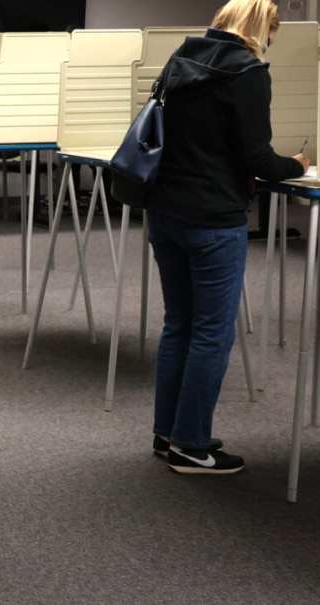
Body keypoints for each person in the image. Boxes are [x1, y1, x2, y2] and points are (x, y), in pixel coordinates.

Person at [147, 0, 310, 474]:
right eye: (272, 34)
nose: (271, 43)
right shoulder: (248, 72)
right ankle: (192, 444)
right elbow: (257, 158)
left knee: (178, 324)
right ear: (261, 29)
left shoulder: (180, 60)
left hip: (165, 211)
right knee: (211, 334)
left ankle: (167, 432)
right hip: (214, 218)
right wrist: (295, 166)